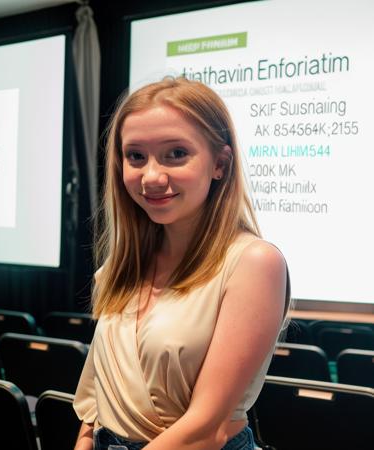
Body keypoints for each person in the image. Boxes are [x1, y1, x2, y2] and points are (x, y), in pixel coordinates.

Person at [73, 76, 290, 450]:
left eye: (176, 153)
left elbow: (206, 425)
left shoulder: (254, 263)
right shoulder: (121, 265)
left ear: (220, 163)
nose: (152, 176)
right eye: (136, 156)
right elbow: (97, 397)